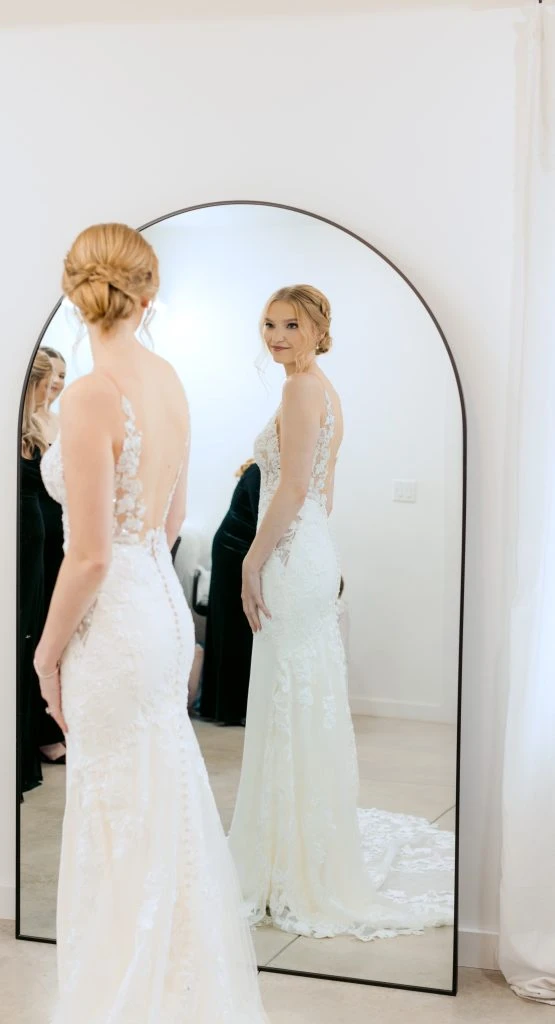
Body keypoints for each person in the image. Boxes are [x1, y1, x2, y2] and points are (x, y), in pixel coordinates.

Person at [34, 223, 268, 1022]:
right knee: (157, 800)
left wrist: (45, 651)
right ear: (148, 292)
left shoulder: (91, 394)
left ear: (73, 289)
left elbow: (89, 556)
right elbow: (166, 522)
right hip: (161, 606)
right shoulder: (167, 381)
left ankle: (124, 999)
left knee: (113, 813)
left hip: (117, 617)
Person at [228, 284, 453, 940]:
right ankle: (294, 847)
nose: (275, 336)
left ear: (317, 327)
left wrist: (250, 561)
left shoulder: (302, 389)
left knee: (287, 702)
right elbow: (319, 488)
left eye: (289, 324)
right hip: (311, 553)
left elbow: (296, 487)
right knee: (293, 702)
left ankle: (291, 862)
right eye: (267, 323)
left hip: (293, 559)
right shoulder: (319, 387)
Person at [198, 459, 261, 726]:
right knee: (233, 629)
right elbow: (265, 518)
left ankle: (226, 706)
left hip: (242, 550)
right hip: (232, 552)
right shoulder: (262, 470)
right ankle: (228, 708)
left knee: (238, 629)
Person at [18, 349, 53, 796]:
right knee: (22, 643)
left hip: (38, 552)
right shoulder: (10, 430)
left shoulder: (32, 430)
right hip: (21, 552)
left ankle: (26, 753)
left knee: (32, 641)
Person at [36, 346, 69, 764]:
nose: (59, 382)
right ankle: (42, 730)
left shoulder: (62, 421)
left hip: (63, 525)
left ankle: (57, 720)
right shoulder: (26, 423)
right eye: (53, 374)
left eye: (64, 375)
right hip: (38, 526)